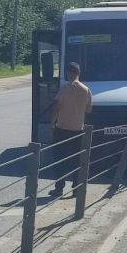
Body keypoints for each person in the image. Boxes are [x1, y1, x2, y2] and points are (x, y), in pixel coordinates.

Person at [49, 62, 92, 197]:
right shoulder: (86, 90)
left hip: (63, 128)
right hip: (78, 130)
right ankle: (77, 189)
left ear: (69, 73)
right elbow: (89, 109)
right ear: (79, 73)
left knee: (60, 160)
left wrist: (52, 123)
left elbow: (57, 107)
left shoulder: (65, 88)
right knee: (77, 160)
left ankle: (59, 188)